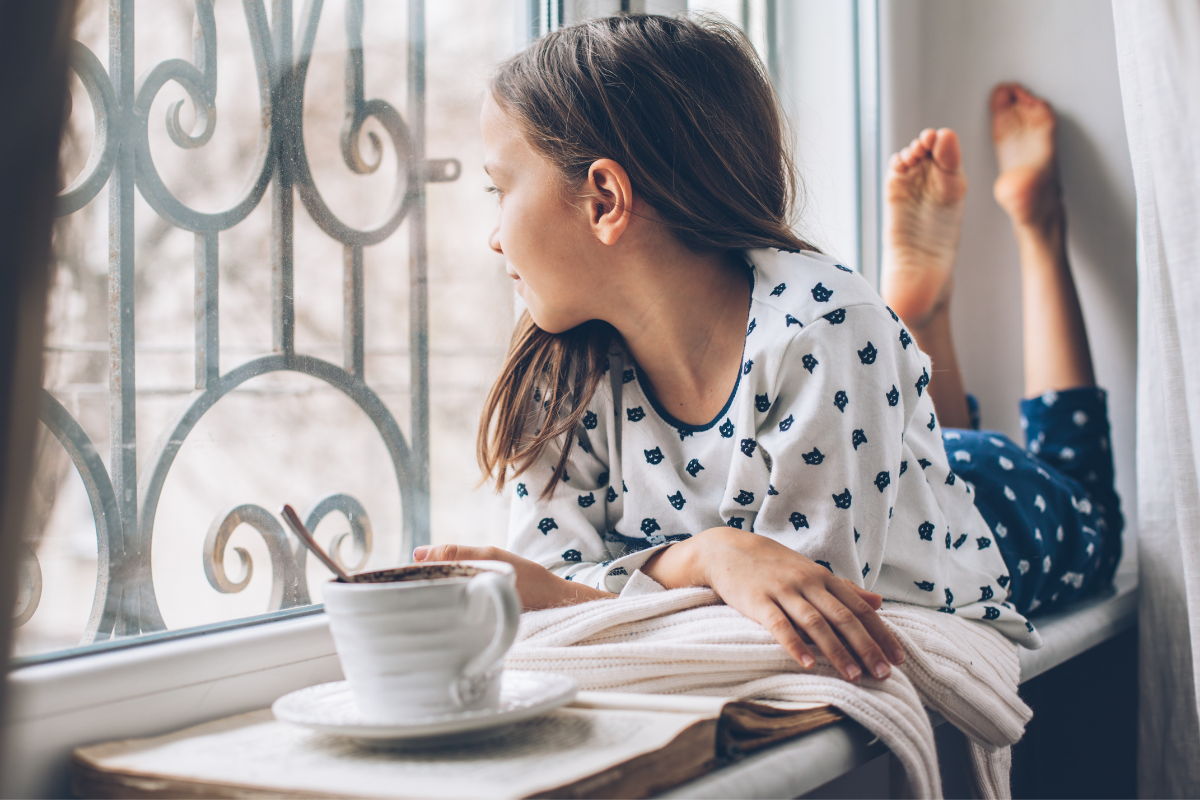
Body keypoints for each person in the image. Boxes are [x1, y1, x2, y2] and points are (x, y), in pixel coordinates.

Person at [413, 15, 1122, 685]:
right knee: (929, 440)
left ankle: (1039, 230)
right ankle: (918, 325)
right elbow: (547, 586)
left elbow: (812, 611)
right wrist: (710, 556)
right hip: (874, 458)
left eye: (498, 188)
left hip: (980, 519)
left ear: (603, 199)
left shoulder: (821, 328)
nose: (494, 236)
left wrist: (663, 570)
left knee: (1084, 495)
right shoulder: (559, 362)